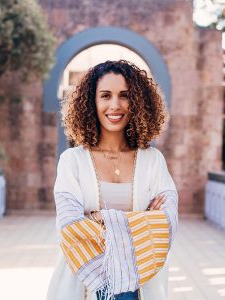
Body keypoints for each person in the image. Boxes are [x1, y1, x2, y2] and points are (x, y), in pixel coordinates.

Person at [46, 60, 178, 300]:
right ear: (91, 102)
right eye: (105, 95)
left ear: (137, 102)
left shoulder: (153, 161)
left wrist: (98, 217)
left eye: (125, 95)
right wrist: (141, 220)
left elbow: (165, 225)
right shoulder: (72, 161)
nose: (115, 105)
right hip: (81, 283)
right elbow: (70, 227)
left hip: (141, 287)